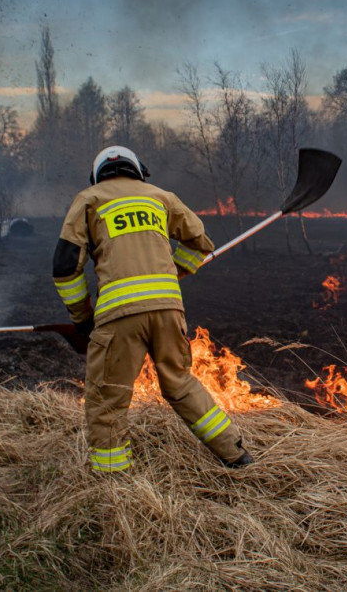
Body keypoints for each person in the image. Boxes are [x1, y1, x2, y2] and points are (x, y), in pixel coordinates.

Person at [53, 146, 253, 473]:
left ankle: (113, 482)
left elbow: (64, 268)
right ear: (138, 170)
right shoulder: (160, 197)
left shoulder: (89, 200)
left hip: (118, 316)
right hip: (168, 311)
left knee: (108, 400)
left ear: (97, 174)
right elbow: (200, 242)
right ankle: (235, 453)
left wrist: (83, 318)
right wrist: (174, 274)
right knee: (180, 384)